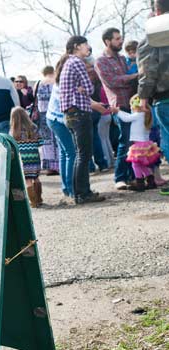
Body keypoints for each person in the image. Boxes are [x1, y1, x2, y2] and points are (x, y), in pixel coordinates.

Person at [58, 35, 105, 204]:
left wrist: (82, 89)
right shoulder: (77, 62)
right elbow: (89, 87)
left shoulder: (67, 63)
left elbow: (84, 89)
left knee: (80, 154)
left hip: (70, 114)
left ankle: (79, 192)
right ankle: (83, 193)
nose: (89, 47)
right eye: (86, 44)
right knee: (84, 154)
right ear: (77, 46)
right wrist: (82, 89)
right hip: (79, 113)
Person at [95, 27, 139, 190]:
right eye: (117, 39)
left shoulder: (122, 58)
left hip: (132, 104)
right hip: (118, 106)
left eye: (120, 38)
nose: (121, 41)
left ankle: (133, 175)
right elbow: (112, 81)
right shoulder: (101, 61)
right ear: (108, 41)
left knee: (134, 141)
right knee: (124, 140)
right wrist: (133, 76)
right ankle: (119, 177)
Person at [138, 0, 169, 194]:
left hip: (164, 98)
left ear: (156, 10)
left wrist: (143, 97)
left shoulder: (152, 37)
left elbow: (148, 70)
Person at [112, 95, 161, 191]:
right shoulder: (146, 115)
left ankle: (140, 183)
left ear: (136, 106)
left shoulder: (138, 115)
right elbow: (129, 116)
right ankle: (151, 180)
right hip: (146, 145)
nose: (130, 108)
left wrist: (117, 112)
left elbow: (127, 118)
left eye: (131, 105)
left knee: (135, 164)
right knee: (141, 164)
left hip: (139, 145)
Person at [46, 79, 76, 199]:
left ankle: (67, 188)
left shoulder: (59, 82)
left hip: (53, 119)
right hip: (58, 120)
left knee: (64, 153)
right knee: (71, 153)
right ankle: (71, 188)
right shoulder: (62, 84)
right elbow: (70, 101)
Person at [10, 106, 43, 207]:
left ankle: (33, 202)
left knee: (28, 180)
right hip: (34, 157)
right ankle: (39, 199)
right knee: (36, 178)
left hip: (23, 159)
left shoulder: (13, 131)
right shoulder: (33, 127)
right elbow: (41, 142)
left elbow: (12, 147)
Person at [34, 66, 59, 174]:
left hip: (43, 114)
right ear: (53, 71)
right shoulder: (56, 82)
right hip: (56, 112)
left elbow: (34, 98)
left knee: (46, 141)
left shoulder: (38, 83)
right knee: (58, 139)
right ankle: (59, 165)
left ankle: (49, 166)